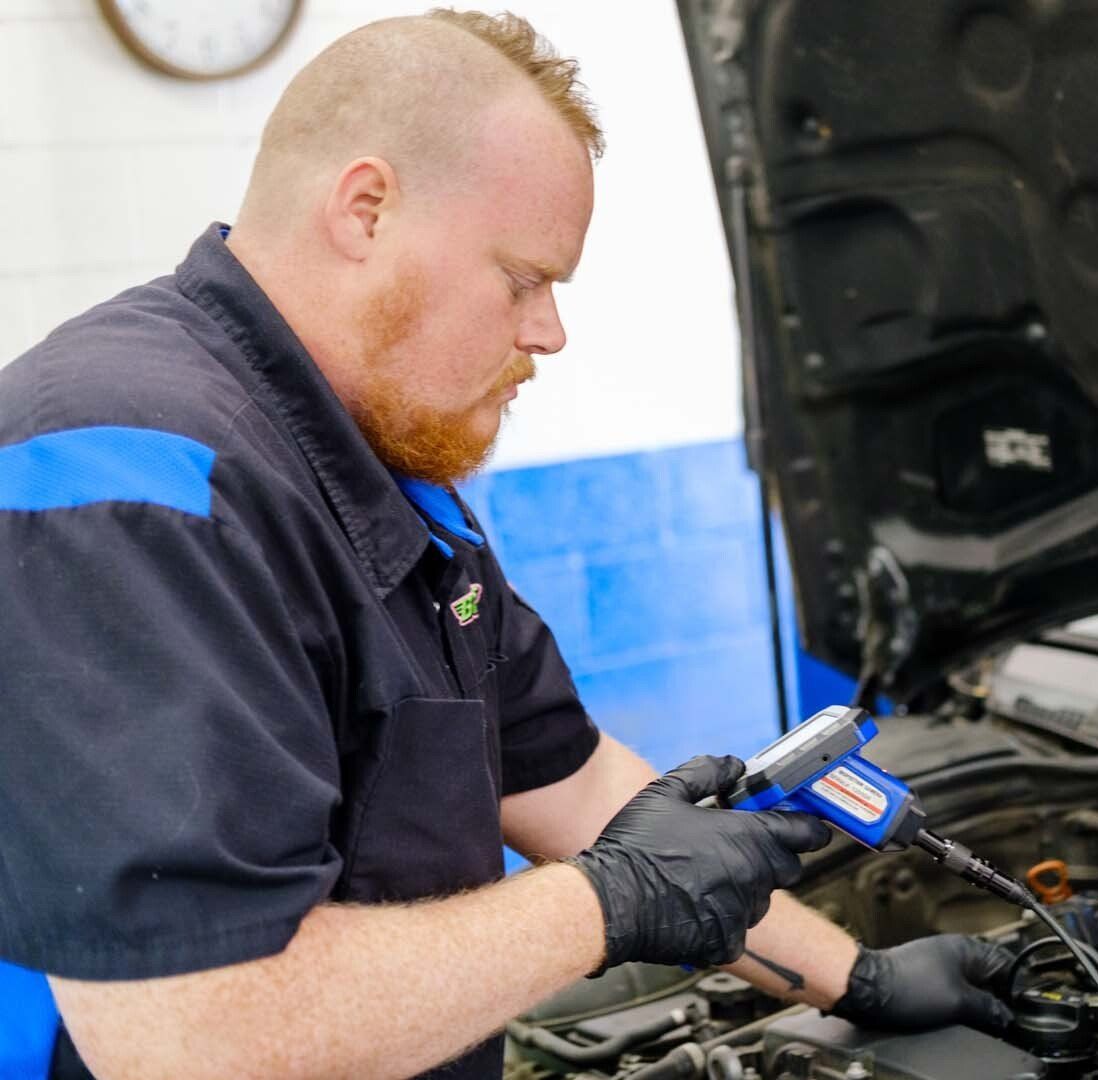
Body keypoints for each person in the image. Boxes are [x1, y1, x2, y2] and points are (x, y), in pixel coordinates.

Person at [0, 11, 1013, 1079]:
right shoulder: (120, 478)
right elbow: (194, 1040)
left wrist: (860, 978)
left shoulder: (388, 471)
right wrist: (608, 904)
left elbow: (570, 790)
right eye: (523, 279)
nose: (548, 332)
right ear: (366, 209)